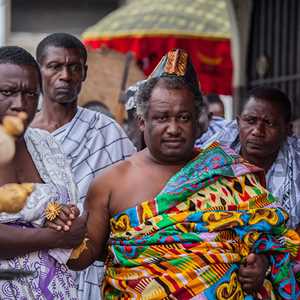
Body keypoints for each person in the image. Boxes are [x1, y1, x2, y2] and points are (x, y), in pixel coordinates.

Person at [51, 49, 300, 299]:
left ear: (197, 120)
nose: (173, 128)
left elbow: (274, 241)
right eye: (161, 118)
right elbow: (83, 256)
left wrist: (262, 265)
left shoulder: (230, 172)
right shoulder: (109, 183)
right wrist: (62, 231)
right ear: (142, 121)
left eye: (183, 117)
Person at [31, 33, 136, 299]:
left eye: (74, 67)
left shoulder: (107, 132)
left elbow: (133, 200)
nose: (65, 75)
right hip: (32, 268)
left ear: (84, 73)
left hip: (93, 269)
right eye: (54, 66)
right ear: (38, 71)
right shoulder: (22, 135)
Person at [0, 46, 87, 299]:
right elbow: (61, 236)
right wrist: (51, 237)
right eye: (7, 92)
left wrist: (64, 216)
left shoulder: (45, 144)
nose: (20, 104)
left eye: (30, 94)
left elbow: (70, 214)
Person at [200, 87, 300, 229]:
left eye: (269, 123)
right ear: (238, 122)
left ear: (288, 130)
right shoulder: (212, 155)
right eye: (250, 120)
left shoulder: (296, 163)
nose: (257, 131)